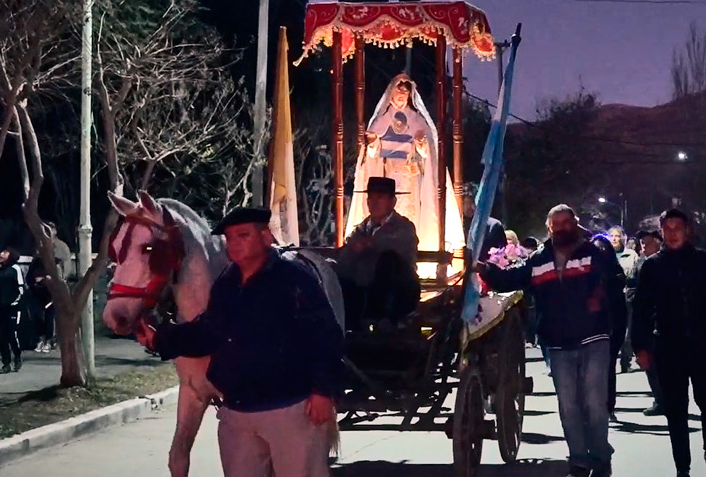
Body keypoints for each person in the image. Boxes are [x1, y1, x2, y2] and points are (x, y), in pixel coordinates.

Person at [137, 207, 343, 477]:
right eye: (230, 238)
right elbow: (209, 332)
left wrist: (322, 392)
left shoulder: (294, 279)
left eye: (243, 235)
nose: (234, 244)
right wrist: (160, 339)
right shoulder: (226, 283)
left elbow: (325, 336)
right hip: (237, 412)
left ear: (266, 237)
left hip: (289, 409)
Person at [482, 204, 614, 477]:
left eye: (568, 222)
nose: (563, 227)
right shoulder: (538, 259)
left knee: (594, 402)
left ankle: (600, 456)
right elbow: (510, 279)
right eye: (557, 224)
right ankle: (578, 458)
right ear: (549, 228)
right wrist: (484, 269)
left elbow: (612, 279)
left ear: (575, 224)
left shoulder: (593, 253)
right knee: (568, 404)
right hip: (557, 341)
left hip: (594, 337)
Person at [632, 209, 706, 477]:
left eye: (678, 228)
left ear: (687, 231)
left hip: (703, 345)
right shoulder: (651, 267)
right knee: (675, 411)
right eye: (668, 228)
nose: (673, 233)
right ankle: (682, 467)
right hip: (668, 348)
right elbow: (641, 310)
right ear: (661, 232)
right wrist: (640, 346)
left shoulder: (705, 262)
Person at [346, 73, 465, 255]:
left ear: (410, 94)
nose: (401, 93)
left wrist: (420, 144)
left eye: (405, 90)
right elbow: (372, 154)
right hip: (386, 174)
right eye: (398, 89)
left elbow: (428, 154)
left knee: (410, 215)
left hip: (410, 177)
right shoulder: (381, 119)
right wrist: (372, 143)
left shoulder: (417, 120)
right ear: (391, 92)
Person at [336, 176, 420, 329]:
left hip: (399, 294)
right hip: (363, 291)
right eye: (370, 198)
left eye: (380, 198)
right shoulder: (360, 230)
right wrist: (353, 251)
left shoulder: (404, 227)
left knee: (389, 261)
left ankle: (385, 318)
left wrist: (371, 243)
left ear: (392, 202)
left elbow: (397, 248)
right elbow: (344, 261)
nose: (374, 203)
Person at [591, 234, 627, 421]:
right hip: (592, 326)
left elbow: (620, 305)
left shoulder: (615, 273)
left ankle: (607, 406)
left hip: (612, 325)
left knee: (608, 365)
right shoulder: (588, 273)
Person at [632, 230, 666, 416]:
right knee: (649, 364)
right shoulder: (640, 262)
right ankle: (660, 399)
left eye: (647, 243)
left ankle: (665, 400)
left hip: (659, 321)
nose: (643, 246)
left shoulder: (661, 264)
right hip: (643, 319)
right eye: (642, 243)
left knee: (661, 365)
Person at [0, 248, 25, 374]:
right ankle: (5, 363)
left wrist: (14, 301)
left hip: (13, 307)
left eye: (5, 252)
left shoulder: (15, 269)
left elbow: (21, 288)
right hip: (0, 307)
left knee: (12, 335)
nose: (1, 254)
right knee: (1, 336)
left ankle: (17, 357)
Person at [607, 226, 638, 373]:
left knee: (628, 332)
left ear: (623, 238)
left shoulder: (631, 255)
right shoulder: (604, 255)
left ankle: (626, 361)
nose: (614, 239)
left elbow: (636, 275)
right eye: (611, 236)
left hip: (628, 298)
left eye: (617, 236)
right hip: (610, 299)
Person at [27, 257, 56, 353]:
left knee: (49, 318)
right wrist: (35, 283)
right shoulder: (35, 263)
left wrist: (44, 280)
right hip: (36, 294)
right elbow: (29, 279)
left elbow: (57, 279)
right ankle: (40, 339)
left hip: (49, 295)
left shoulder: (53, 262)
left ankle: (49, 340)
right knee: (37, 316)